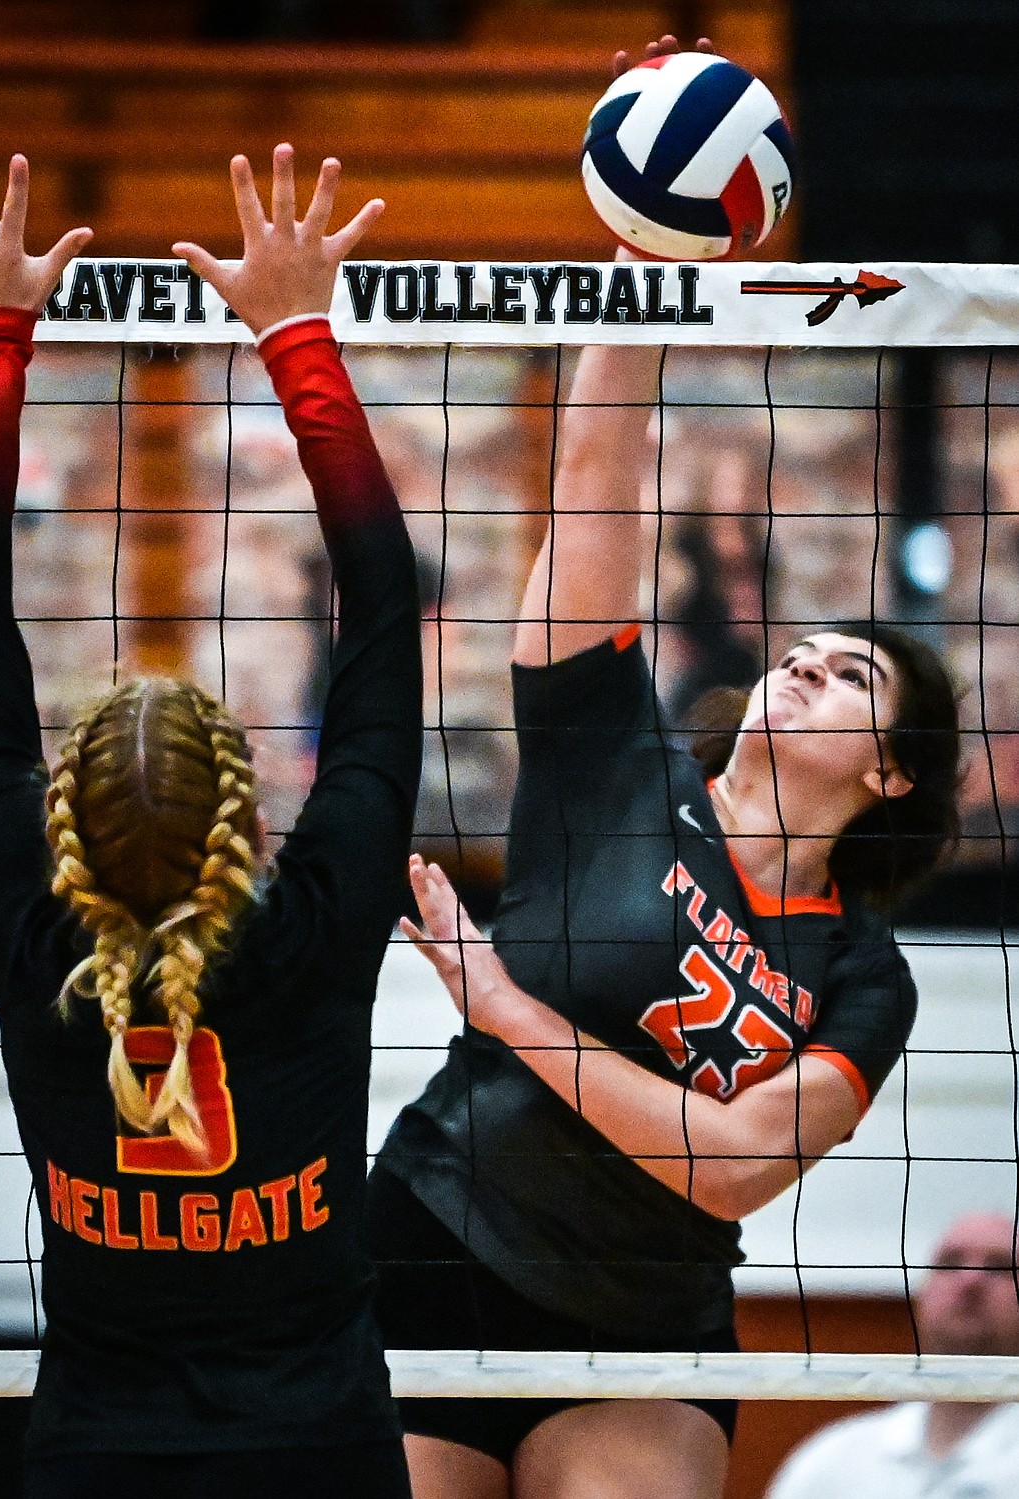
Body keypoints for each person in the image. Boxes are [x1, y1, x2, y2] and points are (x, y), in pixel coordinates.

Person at [365, 35, 963, 1499]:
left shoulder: (862, 970)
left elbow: (739, 1163)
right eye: (804, 648)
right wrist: (633, 265)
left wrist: (508, 1010)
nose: (805, 662)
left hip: (641, 1321)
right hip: (435, 1240)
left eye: (852, 674)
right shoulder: (611, 757)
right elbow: (596, 483)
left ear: (893, 774)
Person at [0, 143, 421, 1499]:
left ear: (62, 813)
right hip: (318, 1451)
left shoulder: (35, 936)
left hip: (97, 1452)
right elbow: (383, 608)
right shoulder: (313, 925)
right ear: (244, 816)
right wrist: (296, 327)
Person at [766, 1212, 1019, 1499]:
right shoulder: (831, 1461)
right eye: (950, 1263)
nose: (970, 1280)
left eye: (1000, 1267)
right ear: (920, 1297)